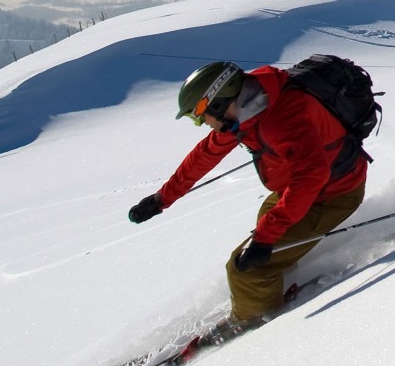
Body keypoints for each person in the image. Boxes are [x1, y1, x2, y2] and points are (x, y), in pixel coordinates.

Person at [127, 60, 368, 330]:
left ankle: (253, 326)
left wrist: (265, 239)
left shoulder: (280, 118)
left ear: (216, 102)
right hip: (299, 190)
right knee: (265, 230)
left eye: (198, 115)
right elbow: (205, 155)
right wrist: (161, 199)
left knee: (245, 269)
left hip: (331, 194)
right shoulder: (248, 110)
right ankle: (270, 283)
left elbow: (312, 175)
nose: (201, 123)